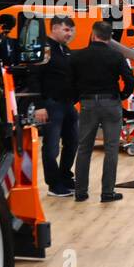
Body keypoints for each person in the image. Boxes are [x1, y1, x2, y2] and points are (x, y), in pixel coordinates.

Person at [71, 21, 134, 203]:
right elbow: (130, 80)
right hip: (111, 103)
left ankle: (80, 192)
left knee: (84, 148)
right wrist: (122, 95)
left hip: (88, 104)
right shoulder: (116, 56)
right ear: (110, 37)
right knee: (111, 148)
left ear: (93, 34)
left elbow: (71, 80)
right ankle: (107, 193)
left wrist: (78, 96)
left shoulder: (78, 56)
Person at [31, 15, 78, 197]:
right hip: (51, 104)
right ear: (55, 28)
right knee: (51, 147)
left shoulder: (64, 49)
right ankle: (54, 184)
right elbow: (34, 78)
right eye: (67, 30)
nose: (70, 34)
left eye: (72, 30)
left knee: (73, 142)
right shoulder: (44, 48)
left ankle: (66, 177)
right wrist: (39, 105)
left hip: (67, 105)